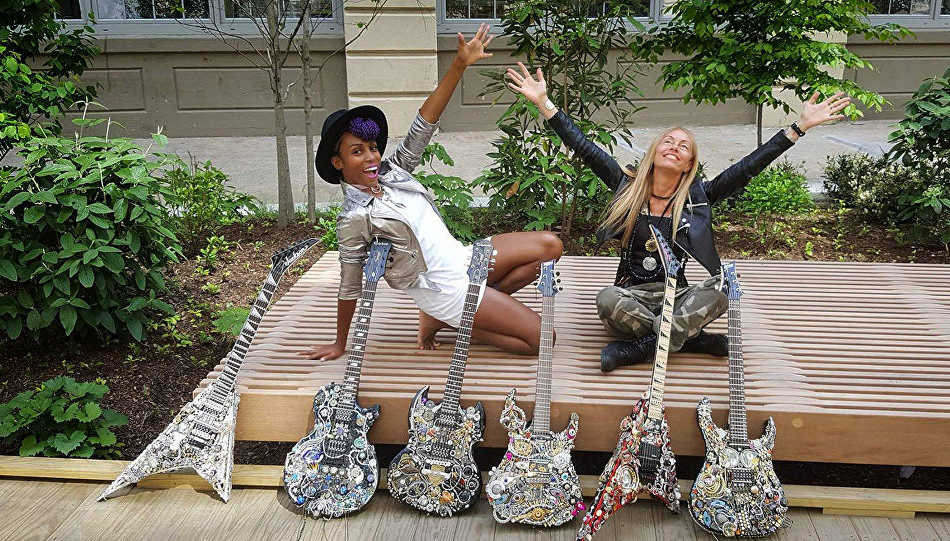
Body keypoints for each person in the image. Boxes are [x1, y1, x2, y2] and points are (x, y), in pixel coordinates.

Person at [505, 61, 850, 371]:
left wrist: (797, 128)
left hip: (677, 295)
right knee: (606, 300)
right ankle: (688, 338)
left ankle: (643, 348)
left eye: (683, 146)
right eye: (668, 141)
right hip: (631, 296)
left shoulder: (698, 199)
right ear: (655, 153)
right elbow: (584, 147)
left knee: (725, 285)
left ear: (688, 165)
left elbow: (747, 168)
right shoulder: (626, 187)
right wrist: (544, 103)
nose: (674, 147)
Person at [303, 26, 562, 361]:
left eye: (372, 147)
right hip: (444, 289)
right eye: (357, 152)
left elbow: (425, 122)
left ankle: (461, 314)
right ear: (337, 162)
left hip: (465, 258)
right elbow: (350, 284)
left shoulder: (393, 172)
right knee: (544, 339)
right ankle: (452, 318)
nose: (370, 157)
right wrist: (340, 343)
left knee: (551, 247)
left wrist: (459, 64)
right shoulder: (355, 218)